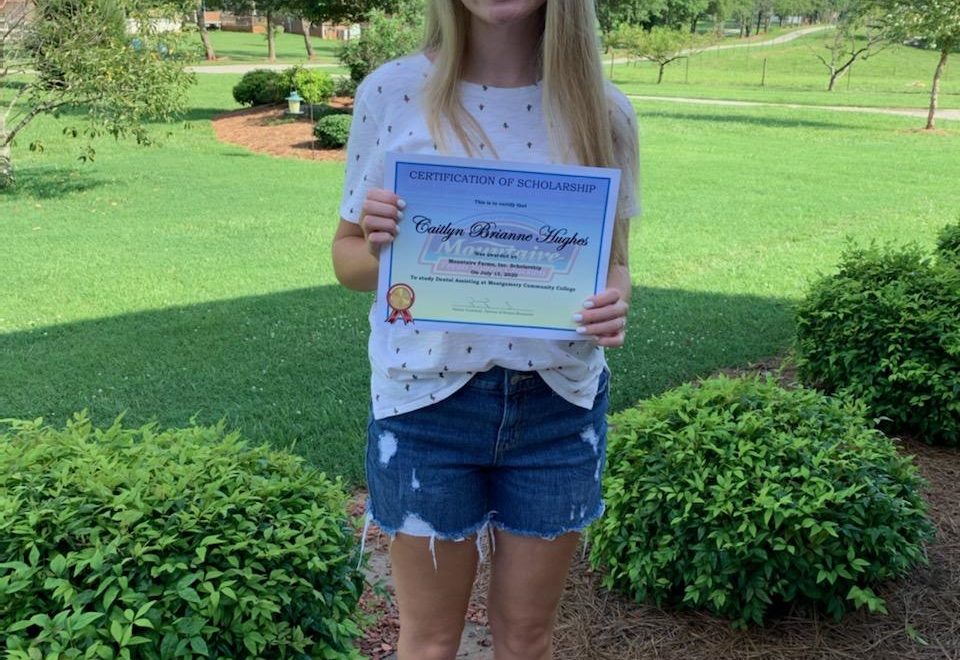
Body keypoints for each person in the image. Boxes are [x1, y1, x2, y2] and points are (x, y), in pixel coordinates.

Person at [331, 1, 640, 658]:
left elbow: (615, 263)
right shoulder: (392, 91)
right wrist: (386, 250)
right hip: (424, 408)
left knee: (527, 637)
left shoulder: (604, 110)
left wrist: (614, 301)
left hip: (558, 408)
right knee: (429, 640)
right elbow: (347, 260)